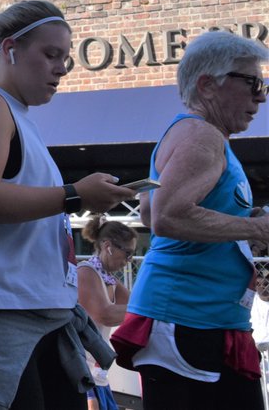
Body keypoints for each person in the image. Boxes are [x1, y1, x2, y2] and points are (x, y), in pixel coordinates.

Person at [0, 0, 135, 410]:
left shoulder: (16, 115)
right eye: (51, 54)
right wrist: (75, 194)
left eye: (66, 58)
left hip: (37, 317)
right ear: (10, 50)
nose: (62, 68)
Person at [110, 30, 269, 409]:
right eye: (252, 83)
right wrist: (257, 228)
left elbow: (149, 212)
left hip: (193, 320)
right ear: (208, 85)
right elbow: (166, 217)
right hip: (189, 320)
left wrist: (244, 218)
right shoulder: (203, 137)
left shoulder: (189, 133)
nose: (260, 97)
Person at [75, 215, 136, 410]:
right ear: (108, 245)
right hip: (80, 367)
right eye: (127, 253)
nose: (129, 260)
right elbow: (105, 314)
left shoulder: (108, 278)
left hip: (96, 368)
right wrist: (150, 308)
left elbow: (133, 309)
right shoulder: (86, 272)